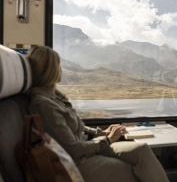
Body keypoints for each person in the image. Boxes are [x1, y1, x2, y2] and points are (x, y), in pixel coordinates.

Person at [27, 46, 169, 182]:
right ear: (50, 70)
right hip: (78, 160)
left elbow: (79, 128)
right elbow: (73, 149)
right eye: (58, 65)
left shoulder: (54, 97)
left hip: (88, 145)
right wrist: (107, 141)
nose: (61, 70)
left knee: (142, 150)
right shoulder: (43, 104)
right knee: (129, 168)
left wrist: (102, 133)